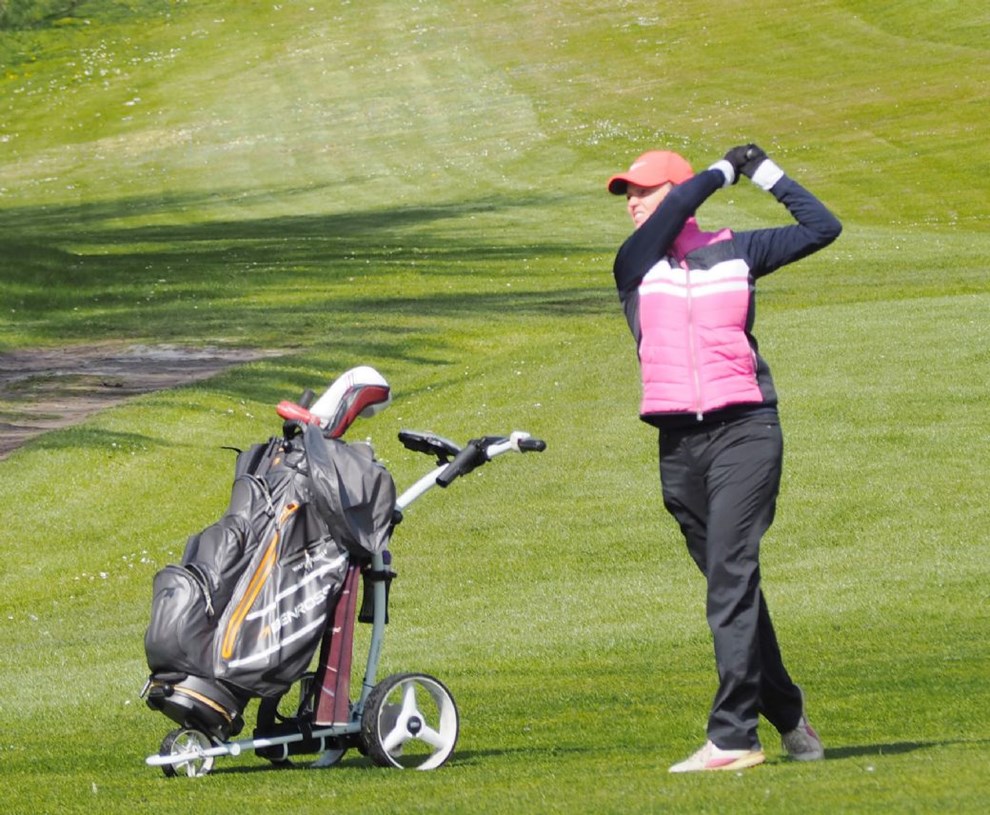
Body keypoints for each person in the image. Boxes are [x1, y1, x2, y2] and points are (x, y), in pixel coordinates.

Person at [606, 144, 841, 773]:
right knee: (728, 585)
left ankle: (734, 737)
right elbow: (678, 208)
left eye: (644, 190)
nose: (632, 202)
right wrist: (719, 173)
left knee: (731, 577)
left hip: (746, 432)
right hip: (680, 447)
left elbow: (823, 226)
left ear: (675, 189)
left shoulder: (738, 251)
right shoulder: (634, 264)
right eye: (627, 192)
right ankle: (789, 715)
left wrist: (761, 171)